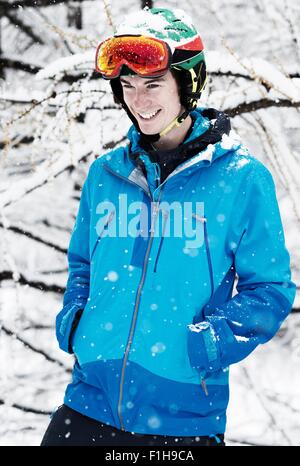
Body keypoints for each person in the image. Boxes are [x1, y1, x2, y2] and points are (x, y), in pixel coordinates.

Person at [41, 7, 296, 446]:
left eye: (153, 84)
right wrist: (77, 320)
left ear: (188, 84)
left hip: (183, 421)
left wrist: (211, 344)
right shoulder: (107, 175)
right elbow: (83, 263)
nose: (139, 101)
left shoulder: (241, 179)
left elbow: (270, 288)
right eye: (128, 86)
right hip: (87, 404)